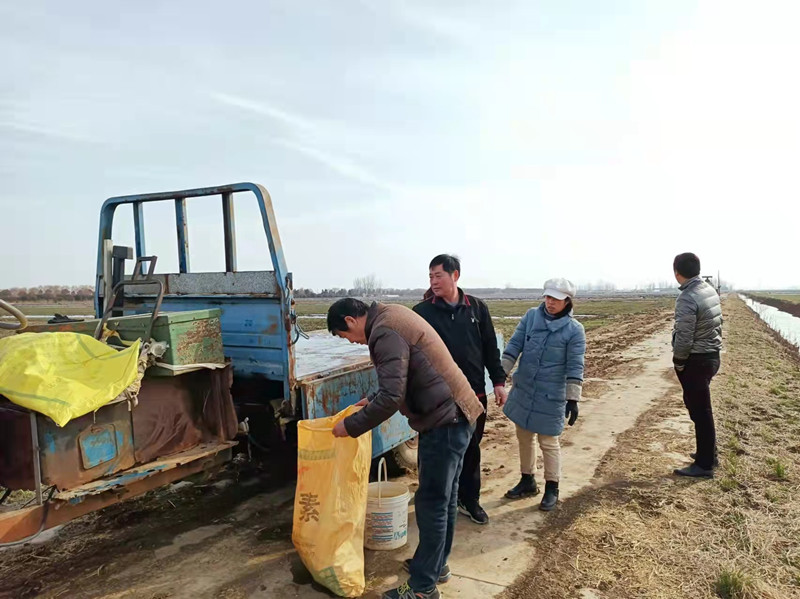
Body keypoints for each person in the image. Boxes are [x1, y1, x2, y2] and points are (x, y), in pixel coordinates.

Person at [327, 298, 483, 599]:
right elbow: (401, 373)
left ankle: (423, 588)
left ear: (350, 320)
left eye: (345, 336)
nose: (353, 342)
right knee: (444, 499)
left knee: (432, 503)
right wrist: (372, 398)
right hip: (456, 413)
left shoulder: (384, 331)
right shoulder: (390, 315)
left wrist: (351, 426)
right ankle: (435, 566)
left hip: (445, 420)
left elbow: (392, 397)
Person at [412, 254, 507, 525]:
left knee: (471, 448)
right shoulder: (422, 313)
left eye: (438, 275)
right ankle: (433, 498)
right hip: (438, 398)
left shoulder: (477, 308)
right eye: (430, 276)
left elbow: (490, 349)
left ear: (455, 275)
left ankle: (469, 499)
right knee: (433, 449)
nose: (433, 281)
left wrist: (498, 383)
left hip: (473, 394)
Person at [500, 278, 586, 511]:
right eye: (547, 297)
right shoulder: (531, 317)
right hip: (525, 389)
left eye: (555, 299)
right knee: (524, 435)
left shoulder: (575, 330)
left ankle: (552, 487)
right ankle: (527, 480)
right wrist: (500, 375)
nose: (550, 302)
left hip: (551, 394)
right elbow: (514, 346)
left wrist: (573, 398)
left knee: (548, 441)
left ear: (567, 301)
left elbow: (575, 365)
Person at [671, 252, 723, 478]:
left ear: (676, 272)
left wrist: (679, 362)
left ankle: (704, 464)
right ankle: (708, 453)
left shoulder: (687, 297)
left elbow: (684, 336)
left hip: (696, 359)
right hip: (711, 355)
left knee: (700, 411)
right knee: (701, 409)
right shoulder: (708, 290)